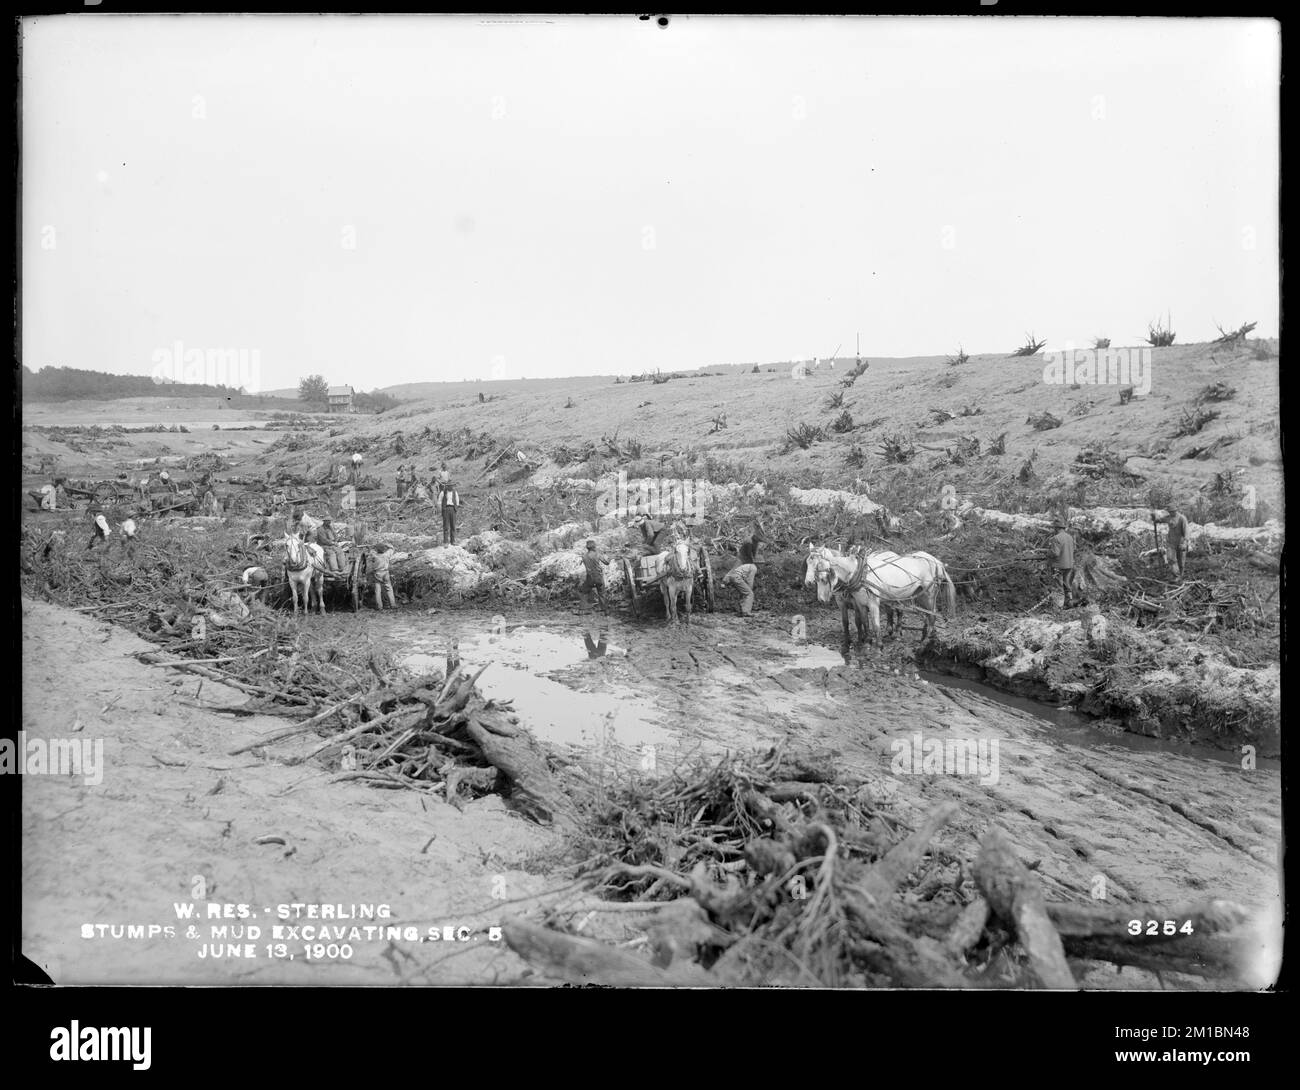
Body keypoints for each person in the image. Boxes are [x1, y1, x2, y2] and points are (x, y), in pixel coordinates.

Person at [722, 533, 760, 617]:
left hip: (736, 576)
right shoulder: (753, 567)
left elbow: (754, 553)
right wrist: (749, 591)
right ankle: (746, 612)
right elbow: (750, 582)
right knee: (749, 593)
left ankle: (742, 610)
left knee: (745, 592)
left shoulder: (754, 543)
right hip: (741, 563)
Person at [1154, 505, 1190, 579]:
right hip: (1171, 542)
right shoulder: (1168, 517)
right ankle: (1175, 575)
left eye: (1173, 511)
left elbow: (1186, 532)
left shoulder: (1182, 519)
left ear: (1176, 510)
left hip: (1181, 543)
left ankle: (1181, 576)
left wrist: (1185, 543)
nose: (1171, 513)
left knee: (1181, 562)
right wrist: (1154, 518)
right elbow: (1160, 520)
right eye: (1170, 512)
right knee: (1171, 559)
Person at [1047, 518, 1076, 608]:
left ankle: (1058, 606)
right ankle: (1069, 603)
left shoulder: (1056, 538)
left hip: (1058, 566)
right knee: (1067, 584)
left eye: (1054, 528)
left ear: (1056, 528)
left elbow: (1055, 553)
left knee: (1058, 586)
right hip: (1069, 565)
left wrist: (1047, 552)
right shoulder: (1070, 537)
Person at [579, 539, 607, 610]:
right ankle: (604, 609)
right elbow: (607, 562)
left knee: (584, 591)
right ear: (594, 547)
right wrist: (608, 557)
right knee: (601, 593)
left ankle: (582, 609)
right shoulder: (597, 554)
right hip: (598, 576)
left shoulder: (584, 556)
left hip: (590, 577)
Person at [369, 543, 396, 610]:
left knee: (378, 590)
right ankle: (393, 605)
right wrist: (387, 545)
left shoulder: (374, 555)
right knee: (389, 588)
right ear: (384, 549)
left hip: (378, 573)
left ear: (377, 550)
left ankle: (379, 607)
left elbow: (371, 550)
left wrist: (374, 546)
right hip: (386, 573)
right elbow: (392, 548)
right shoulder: (387, 555)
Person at [439, 480, 461, 545]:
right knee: (446, 526)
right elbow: (439, 501)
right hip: (446, 509)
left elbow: (457, 501)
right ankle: (445, 542)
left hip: (452, 509)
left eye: (452, 486)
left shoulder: (455, 492)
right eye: (449, 486)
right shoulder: (443, 492)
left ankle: (453, 541)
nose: (451, 487)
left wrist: (455, 509)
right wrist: (442, 509)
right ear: (447, 486)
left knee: (453, 526)